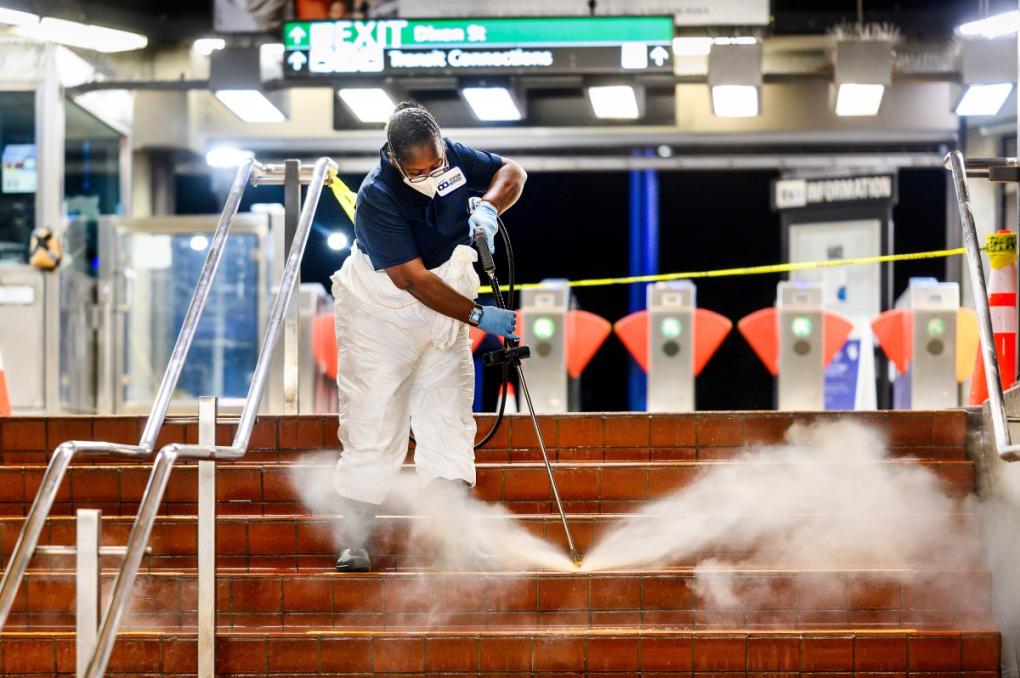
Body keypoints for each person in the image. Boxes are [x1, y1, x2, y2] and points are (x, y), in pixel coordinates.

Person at [330, 102, 526, 571]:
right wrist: (481, 316)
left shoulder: (452, 157)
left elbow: (512, 171)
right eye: (417, 169)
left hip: (443, 313)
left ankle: (451, 538)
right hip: (380, 317)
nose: (430, 173)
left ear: (441, 145)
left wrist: (488, 207)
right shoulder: (377, 196)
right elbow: (413, 281)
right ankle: (355, 539)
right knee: (374, 421)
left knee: (448, 419)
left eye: (435, 163)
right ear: (396, 160)